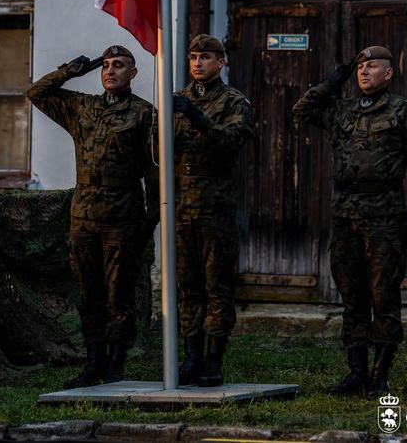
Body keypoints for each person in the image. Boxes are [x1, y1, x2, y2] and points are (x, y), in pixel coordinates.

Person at [293, 45, 407, 397]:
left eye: (372, 66)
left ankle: (380, 373)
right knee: (352, 294)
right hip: (344, 213)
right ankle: (356, 371)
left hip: (384, 214)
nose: (364, 72)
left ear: (388, 74)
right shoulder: (343, 110)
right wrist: (331, 81)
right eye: (359, 67)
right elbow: (302, 109)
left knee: (383, 294)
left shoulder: (404, 112)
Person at [27, 45, 158, 388]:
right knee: (89, 292)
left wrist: (152, 216)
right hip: (83, 213)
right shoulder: (82, 107)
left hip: (122, 213)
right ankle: (92, 361)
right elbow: (36, 93)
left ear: (133, 73)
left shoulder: (145, 114)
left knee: (119, 293)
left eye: (119, 66)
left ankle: (115, 362)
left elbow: (155, 170)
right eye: (107, 66)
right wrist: (70, 71)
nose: (111, 71)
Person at [172, 34, 254, 388]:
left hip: (215, 204)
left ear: (221, 62)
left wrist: (198, 118)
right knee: (187, 284)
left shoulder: (233, 101)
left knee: (216, 284)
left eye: (205, 57)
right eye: (193, 57)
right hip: (183, 203)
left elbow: (233, 140)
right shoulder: (178, 99)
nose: (197, 63)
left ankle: (213, 359)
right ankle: (190, 356)